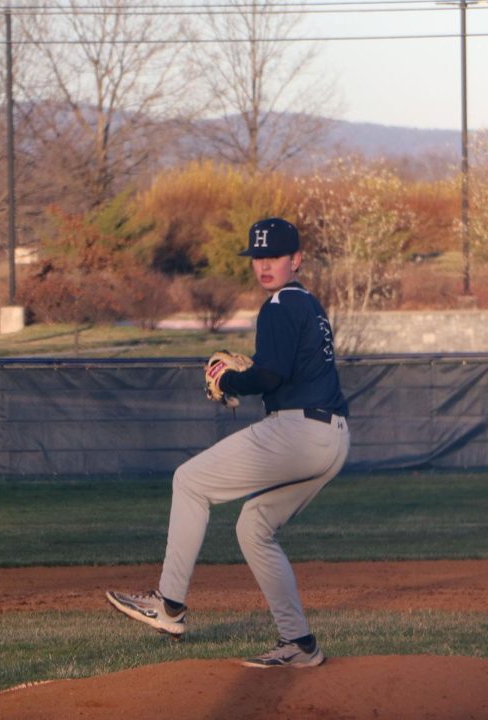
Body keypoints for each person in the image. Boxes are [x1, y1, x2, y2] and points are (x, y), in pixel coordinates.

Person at [106, 217, 350, 669]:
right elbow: (280, 371)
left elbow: (270, 375)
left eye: (275, 256)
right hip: (332, 437)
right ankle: (299, 643)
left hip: (298, 432)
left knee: (190, 481)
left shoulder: (278, 304)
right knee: (253, 528)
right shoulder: (309, 305)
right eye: (258, 257)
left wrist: (232, 377)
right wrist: (247, 377)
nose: (265, 265)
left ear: (296, 259)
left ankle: (169, 604)